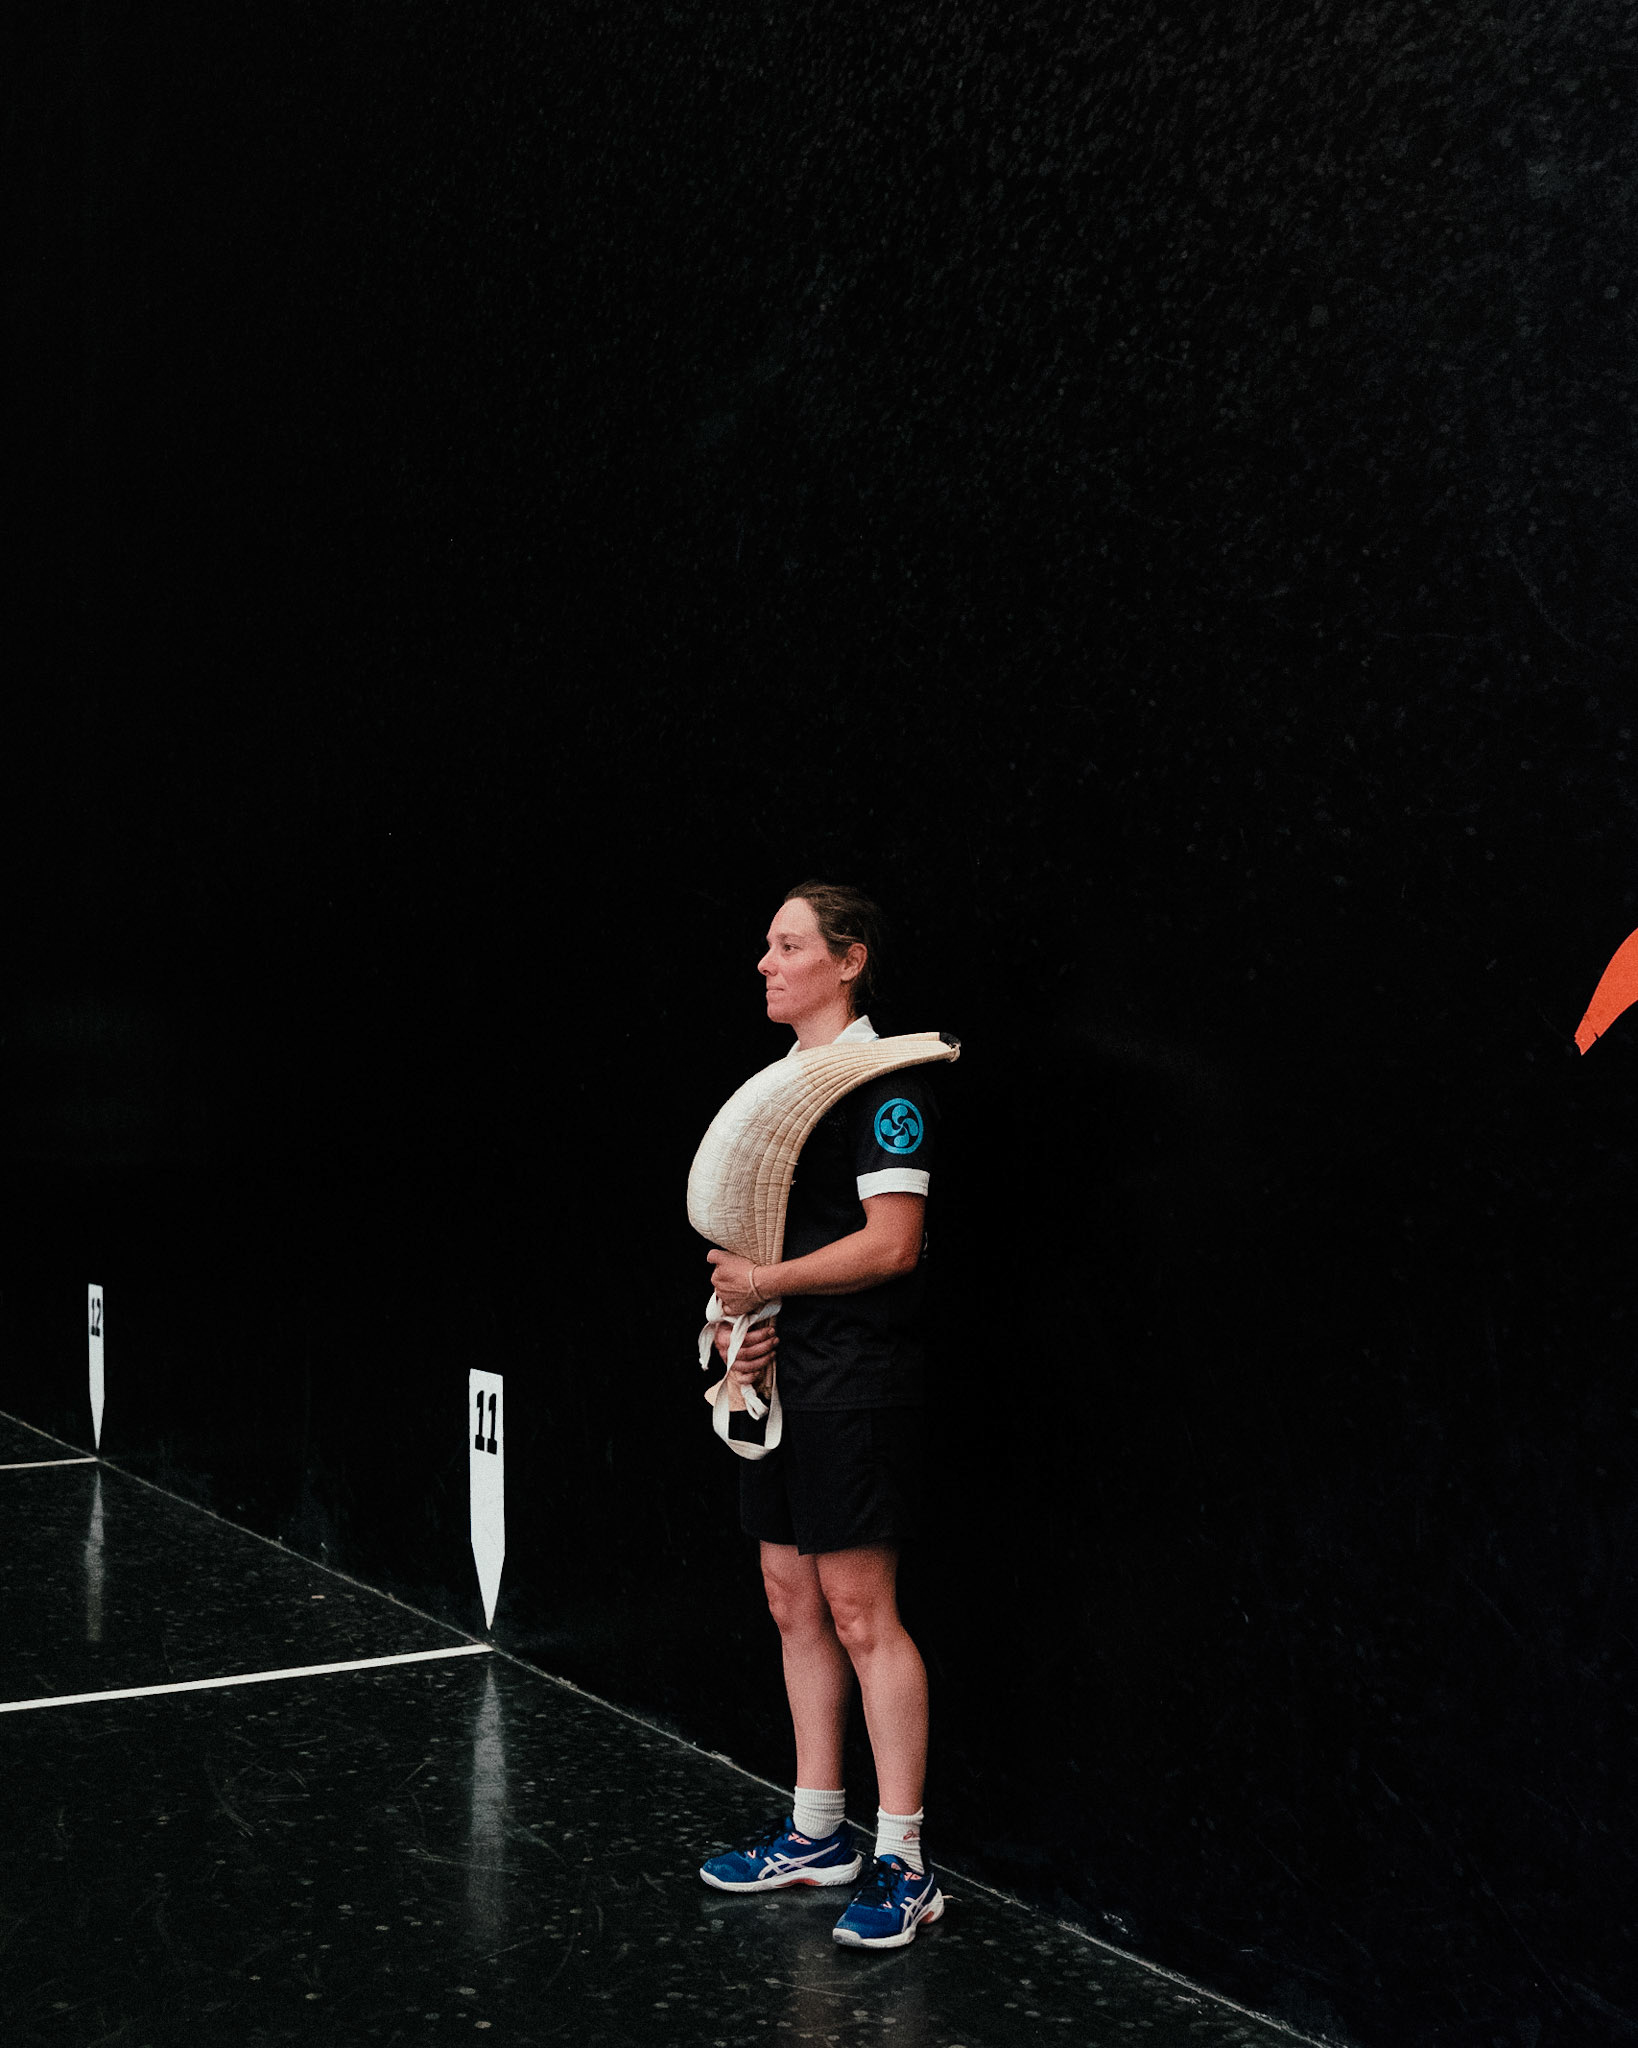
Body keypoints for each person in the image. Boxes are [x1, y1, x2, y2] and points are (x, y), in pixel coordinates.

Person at [697, 882, 946, 1951]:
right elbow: (748, 1266)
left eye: (788, 944)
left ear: (847, 961)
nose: (765, 960)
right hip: (783, 1375)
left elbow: (894, 1243)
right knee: (790, 1596)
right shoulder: (775, 1089)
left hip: (857, 1382)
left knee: (859, 1612)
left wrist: (769, 1282)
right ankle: (817, 1833)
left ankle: (904, 1858)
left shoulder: (890, 1085)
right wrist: (733, 1327)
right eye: (765, 943)